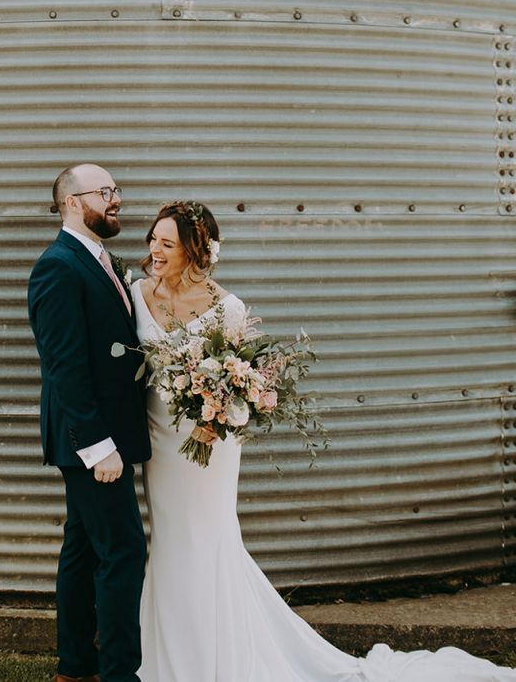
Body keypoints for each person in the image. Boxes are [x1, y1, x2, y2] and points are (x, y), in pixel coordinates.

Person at [130, 200, 516, 682]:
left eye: (167, 243)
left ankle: (217, 657)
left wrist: (219, 417)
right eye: (152, 239)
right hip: (161, 443)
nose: (154, 250)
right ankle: (166, 656)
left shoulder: (226, 306)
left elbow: (243, 384)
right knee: (168, 539)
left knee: (209, 538)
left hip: (209, 443)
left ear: (194, 251)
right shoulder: (137, 290)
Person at [28, 163, 151, 682]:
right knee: (123, 552)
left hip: (106, 435)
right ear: (73, 202)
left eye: (117, 189)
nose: (116, 198)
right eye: (106, 192)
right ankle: (120, 673)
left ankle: (75, 668)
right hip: (92, 441)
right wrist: (98, 445)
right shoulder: (57, 266)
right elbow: (64, 365)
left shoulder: (99, 260)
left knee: (81, 549)